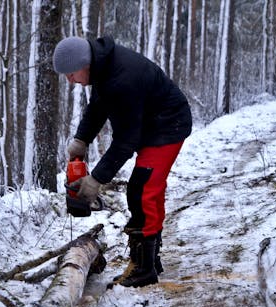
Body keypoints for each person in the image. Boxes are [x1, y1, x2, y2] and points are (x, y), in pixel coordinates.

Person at [53, 36, 192, 288]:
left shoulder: (121, 78)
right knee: (148, 189)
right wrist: (81, 140)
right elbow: (98, 107)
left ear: (85, 64)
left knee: (142, 191)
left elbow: (126, 140)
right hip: (151, 124)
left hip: (168, 125)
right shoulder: (103, 69)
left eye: (71, 73)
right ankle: (152, 258)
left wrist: (96, 179)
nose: (69, 80)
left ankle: (143, 268)